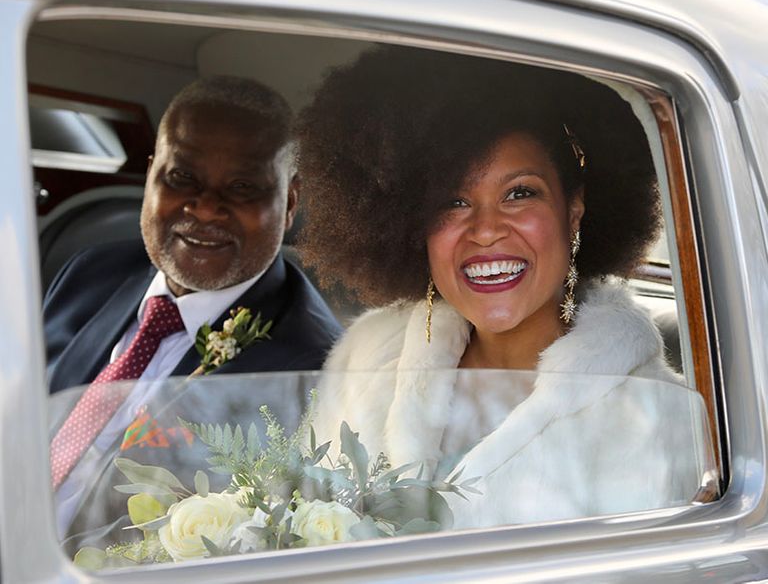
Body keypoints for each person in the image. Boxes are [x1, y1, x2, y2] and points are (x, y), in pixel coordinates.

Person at [298, 46, 716, 529]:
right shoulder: (368, 355)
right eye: (453, 202)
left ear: (573, 210)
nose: (486, 229)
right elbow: (300, 522)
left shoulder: (660, 422)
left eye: (520, 193)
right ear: (411, 223)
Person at [45, 75, 342, 538]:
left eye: (243, 186)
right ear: (150, 175)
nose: (205, 209)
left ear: (290, 203)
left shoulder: (311, 368)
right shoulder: (90, 274)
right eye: (182, 178)